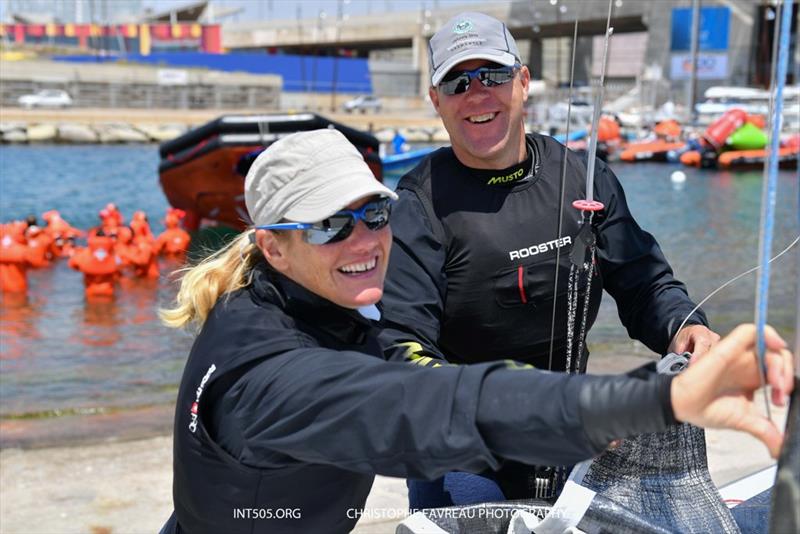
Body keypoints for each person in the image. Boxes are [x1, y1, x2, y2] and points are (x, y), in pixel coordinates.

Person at [157, 129, 793, 534]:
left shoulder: (306, 302)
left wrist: (676, 331)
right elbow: (428, 409)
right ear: (273, 246)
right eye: (330, 226)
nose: (366, 240)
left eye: (374, 213)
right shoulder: (272, 377)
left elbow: (416, 373)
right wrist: (647, 401)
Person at [378, 11, 722, 505]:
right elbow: (401, 347)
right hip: (464, 445)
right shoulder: (417, 206)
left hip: (570, 436)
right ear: (437, 101)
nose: (476, 94)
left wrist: (684, 326)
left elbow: (644, 283)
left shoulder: (584, 179)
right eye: (456, 82)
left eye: (493, 75)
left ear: (523, 81)